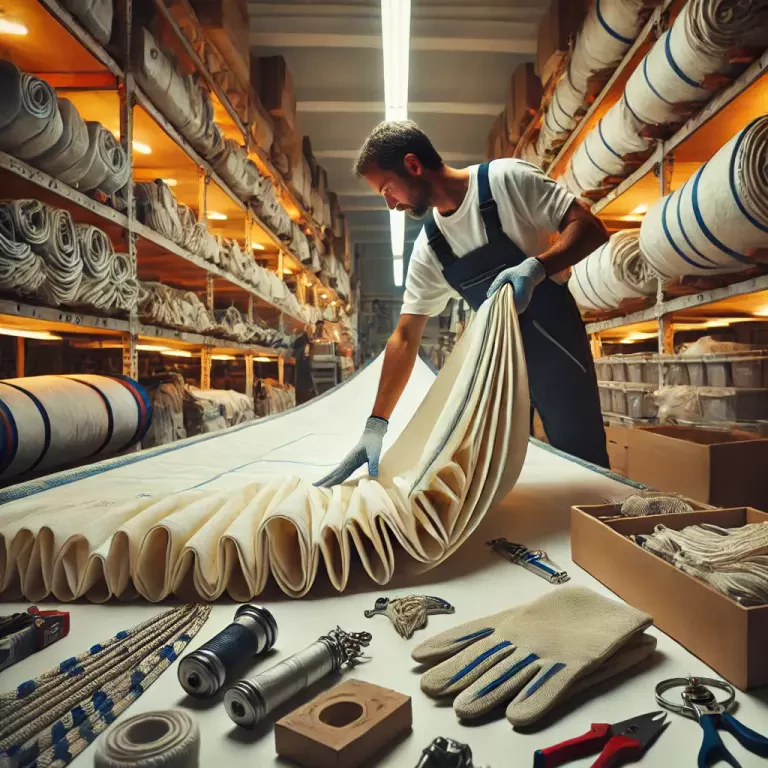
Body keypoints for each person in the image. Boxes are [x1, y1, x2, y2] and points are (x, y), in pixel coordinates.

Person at [316, 120, 610, 488]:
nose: (390, 205)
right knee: (500, 478)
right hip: (499, 365)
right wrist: (377, 424)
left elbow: (590, 227)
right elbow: (405, 337)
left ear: (413, 165)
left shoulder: (506, 180)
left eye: (388, 190)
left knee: (586, 467)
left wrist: (537, 268)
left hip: (556, 349)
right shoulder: (431, 248)